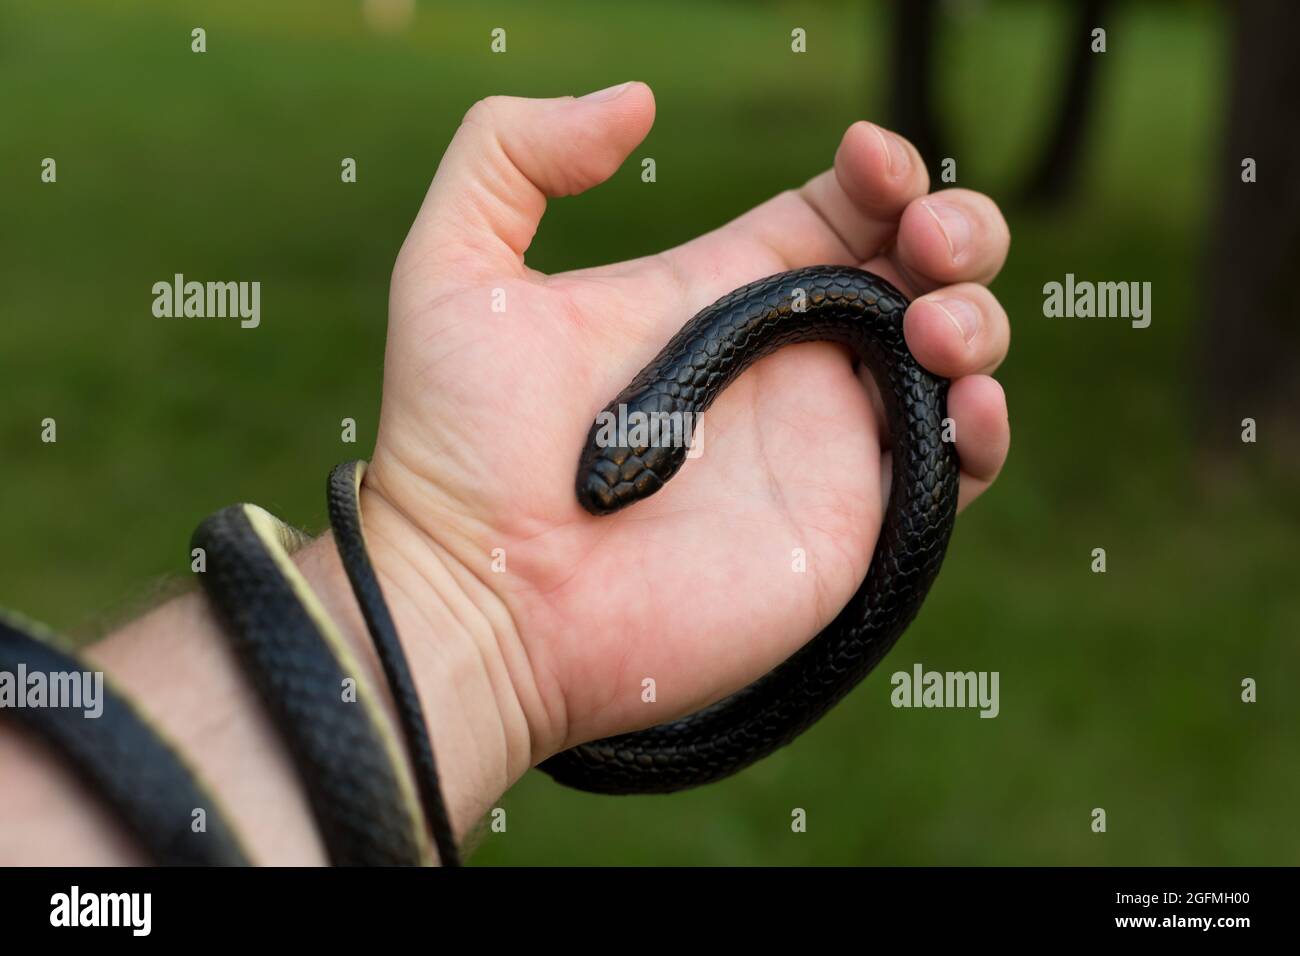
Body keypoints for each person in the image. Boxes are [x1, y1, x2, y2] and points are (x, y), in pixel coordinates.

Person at [0, 83, 1011, 864]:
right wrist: (450, 585)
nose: (594, 487)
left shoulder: (819, 324)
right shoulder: (742, 337)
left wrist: (464, 618)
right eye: (609, 463)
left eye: (620, 476)